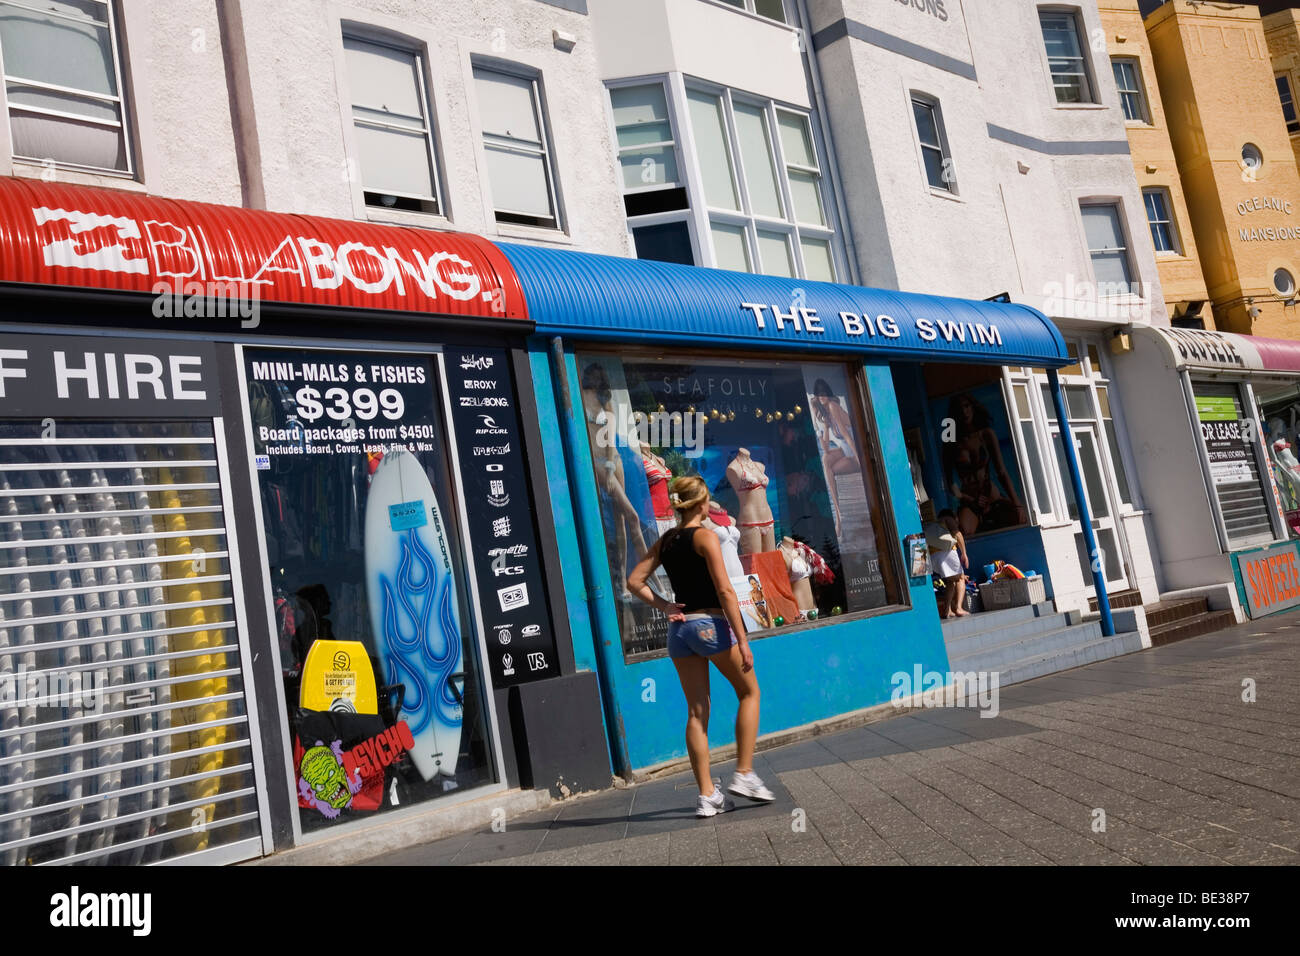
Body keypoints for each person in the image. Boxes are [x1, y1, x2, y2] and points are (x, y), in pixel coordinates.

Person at [627, 475, 776, 817]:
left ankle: (708, 796)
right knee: (749, 693)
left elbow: (634, 581)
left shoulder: (666, 540)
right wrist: (742, 638)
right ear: (699, 504)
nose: (709, 505)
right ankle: (744, 773)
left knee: (696, 712)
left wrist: (665, 606)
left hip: (680, 632)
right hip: (710, 625)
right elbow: (725, 592)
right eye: (707, 500)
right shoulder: (706, 537)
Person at [941, 392, 1026, 537]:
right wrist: (969, 499)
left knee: (1021, 520)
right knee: (965, 532)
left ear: (973, 407)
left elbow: (1002, 472)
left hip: (992, 496)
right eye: (959, 409)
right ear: (954, 414)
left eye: (967, 406)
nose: (964, 412)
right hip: (970, 501)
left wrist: (1017, 503)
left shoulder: (986, 435)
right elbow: (951, 484)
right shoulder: (951, 444)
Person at [925, 509, 969, 618]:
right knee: (960, 578)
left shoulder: (931, 524)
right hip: (946, 552)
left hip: (932, 557)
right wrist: (964, 554)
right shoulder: (948, 519)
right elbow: (958, 534)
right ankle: (958, 608)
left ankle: (947, 610)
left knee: (950, 581)